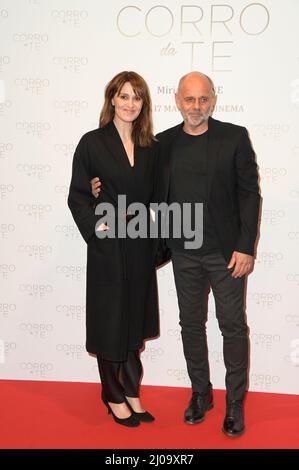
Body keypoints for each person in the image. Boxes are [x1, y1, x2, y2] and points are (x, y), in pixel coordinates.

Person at [91, 71, 260, 437]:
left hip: (227, 254)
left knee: (232, 326)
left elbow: (250, 193)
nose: (196, 107)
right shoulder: (161, 144)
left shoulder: (234, 137)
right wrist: (97, 185)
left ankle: (234, 403)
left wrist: (246, 246)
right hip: (183, 252)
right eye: (189, 99)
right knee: (191, 326)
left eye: (203, 100)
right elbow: (134, 182)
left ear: (213, 100)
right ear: (177, 101)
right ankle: (201, 394)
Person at [68, 71, 159, 427]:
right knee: (110, 320)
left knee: (134, 319)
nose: (130, 104)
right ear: (111, 100)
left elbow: (159, 195)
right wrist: (94, 225)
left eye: (137, 97)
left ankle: (132, 391)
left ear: (143, 104)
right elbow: (78, 194)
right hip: (108, 248)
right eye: (124, 96)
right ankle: (112, 394)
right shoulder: (91, 143)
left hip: (139, 245)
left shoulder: (152, 147)